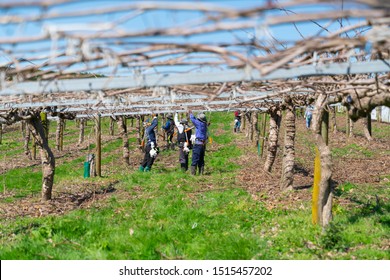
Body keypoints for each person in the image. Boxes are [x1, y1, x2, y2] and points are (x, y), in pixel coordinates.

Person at [189, 110, 208, 175]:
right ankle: (201, 173)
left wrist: (191, 113)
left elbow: (192, 119)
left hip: (198, 144)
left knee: (195, 158)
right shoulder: (204, 124)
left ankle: (193, 174)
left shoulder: (199, 124)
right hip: (203, 144)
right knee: (201, 158)